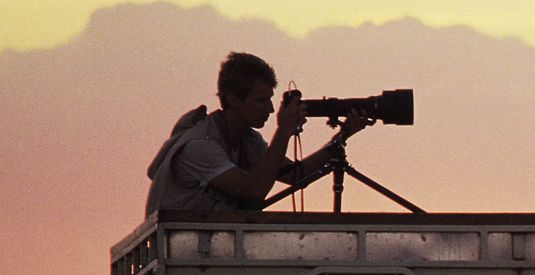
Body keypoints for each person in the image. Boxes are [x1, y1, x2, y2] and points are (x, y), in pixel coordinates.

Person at [145, 51, 368, 215]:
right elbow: (253, 189)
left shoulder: (247, 140)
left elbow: (294, 175)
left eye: (270, 99)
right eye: (261, 100)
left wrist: (342, 136)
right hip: (182, 255)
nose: (270, 109)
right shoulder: (200, 146)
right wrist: (283, 131)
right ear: (232, 99)